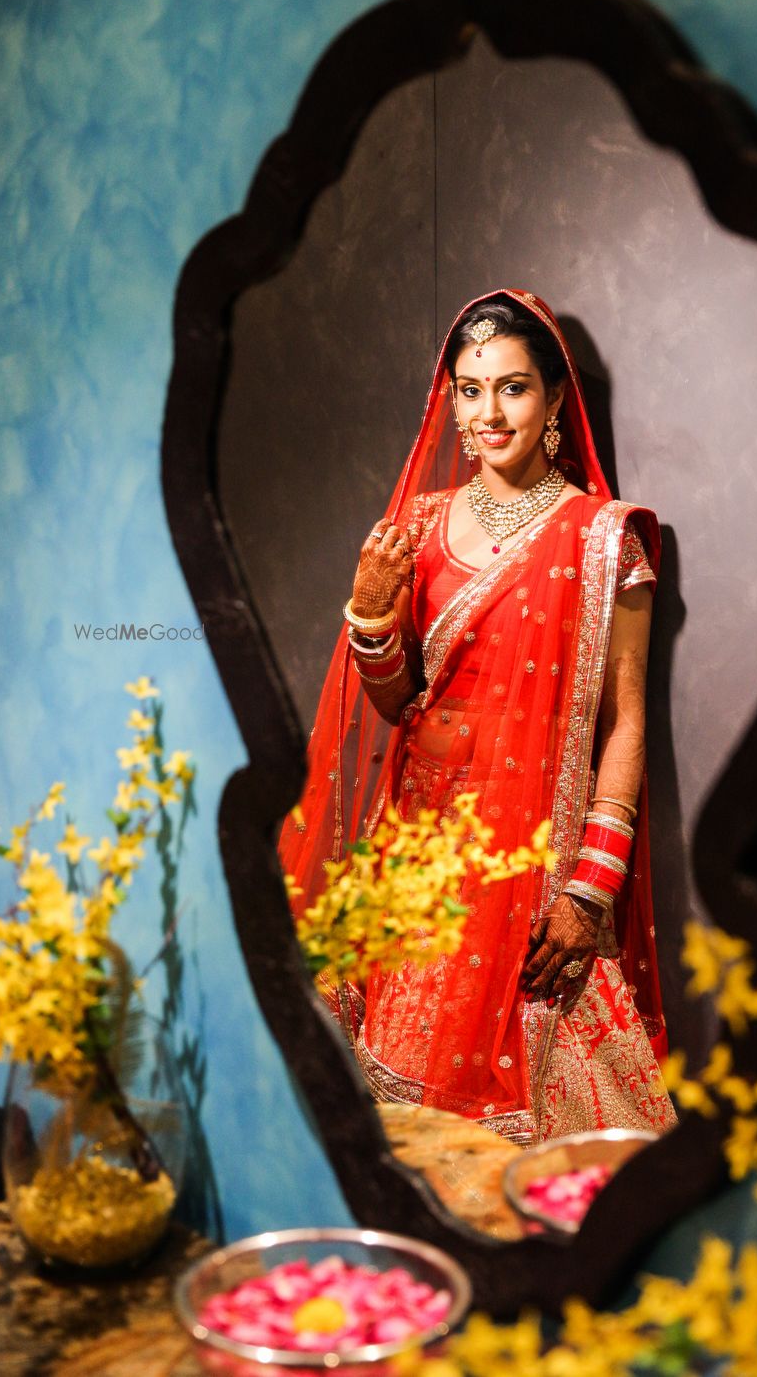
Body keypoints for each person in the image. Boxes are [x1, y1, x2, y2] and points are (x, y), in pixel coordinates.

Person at [278, 289, 675, 1144]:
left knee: (536, 1162)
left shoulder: (607, 541)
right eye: (469, 388)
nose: (489, 413)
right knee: (394, 1141)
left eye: (513, 387)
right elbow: (396, 703)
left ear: (556, 398)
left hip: (535, 867)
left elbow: (625, 725)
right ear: (450, 399)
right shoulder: (416, 527)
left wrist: (589, 888)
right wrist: (371, 618)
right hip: (418, 857)